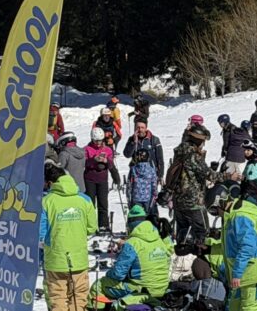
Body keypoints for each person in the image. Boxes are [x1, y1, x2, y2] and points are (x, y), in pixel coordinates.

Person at [87, 205, 171, 310]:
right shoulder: (159, 239)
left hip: (141, 289)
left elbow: (118, 274)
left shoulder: (133, 243)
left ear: (130, 225)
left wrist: (108, 275)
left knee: (98, 286)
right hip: (161, 287)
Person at [41, 160, 97, 311]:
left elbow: (41, 233)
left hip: (55, 259)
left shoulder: (46, 202)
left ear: (50, 182)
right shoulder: (85, 200)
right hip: (79, 258)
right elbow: (92, 228)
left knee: (58, 297)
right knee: (79, 297)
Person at [169, 125, 236, 243]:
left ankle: (182, 256)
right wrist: (228, 176)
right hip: (194, 201)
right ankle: (200, 259)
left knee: (183, 235)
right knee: (202, 235)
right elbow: (208, 175)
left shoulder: (180, 152)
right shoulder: (193, 155)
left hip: (178, 201)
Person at [84, 127, 116, 232]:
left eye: (100, 141)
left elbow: (111, 164)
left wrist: (106, 161)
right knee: (90, 204)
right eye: (96, 141)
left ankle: (103, 225)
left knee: (103, 203)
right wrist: (94, 160)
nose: (98, 143)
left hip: (102, 179)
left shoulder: (107, 149)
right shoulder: (87, 149)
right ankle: (90, 225)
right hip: (90, 179)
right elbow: (84, 164)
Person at [123, 118, 164, 182]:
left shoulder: (154, 140)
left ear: (146, 128)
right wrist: (134, 143)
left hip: (151, 174)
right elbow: (127, 155)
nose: (140, 130)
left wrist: (160, 175)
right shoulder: (131, 139)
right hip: (136, 174)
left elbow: (160, 159)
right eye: (138, 127)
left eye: (142, 127)